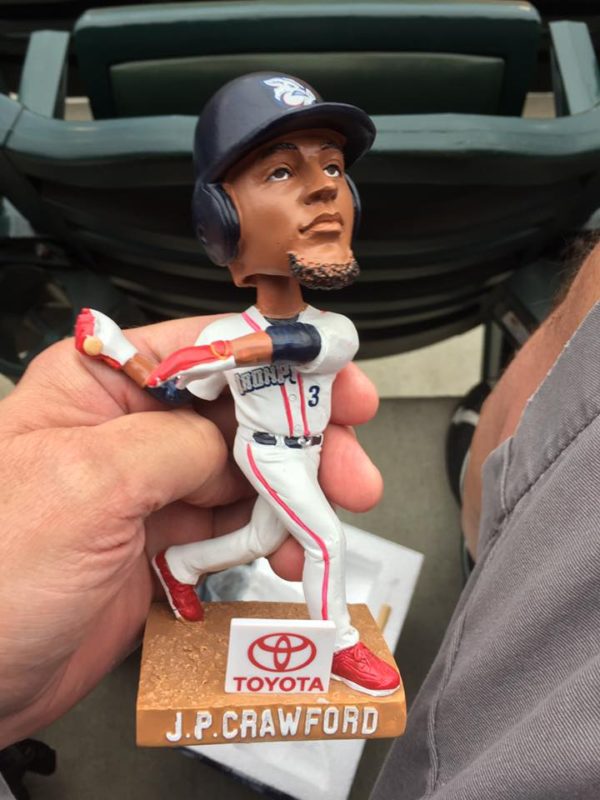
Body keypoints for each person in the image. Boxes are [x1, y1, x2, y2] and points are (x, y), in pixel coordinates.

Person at [75, 73, 400, 696]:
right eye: (280, 171)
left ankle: (179, 564)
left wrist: (220, 352)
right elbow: (177, 395)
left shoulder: (332, 328)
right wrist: (121, 352)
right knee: (325, 541)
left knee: (259, 539)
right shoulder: (225, 328)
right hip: (264, 452)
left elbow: (296, 344)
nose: (325, 188)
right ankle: (339, 646)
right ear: (221, 220)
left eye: (334, 166)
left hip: (308, 453)